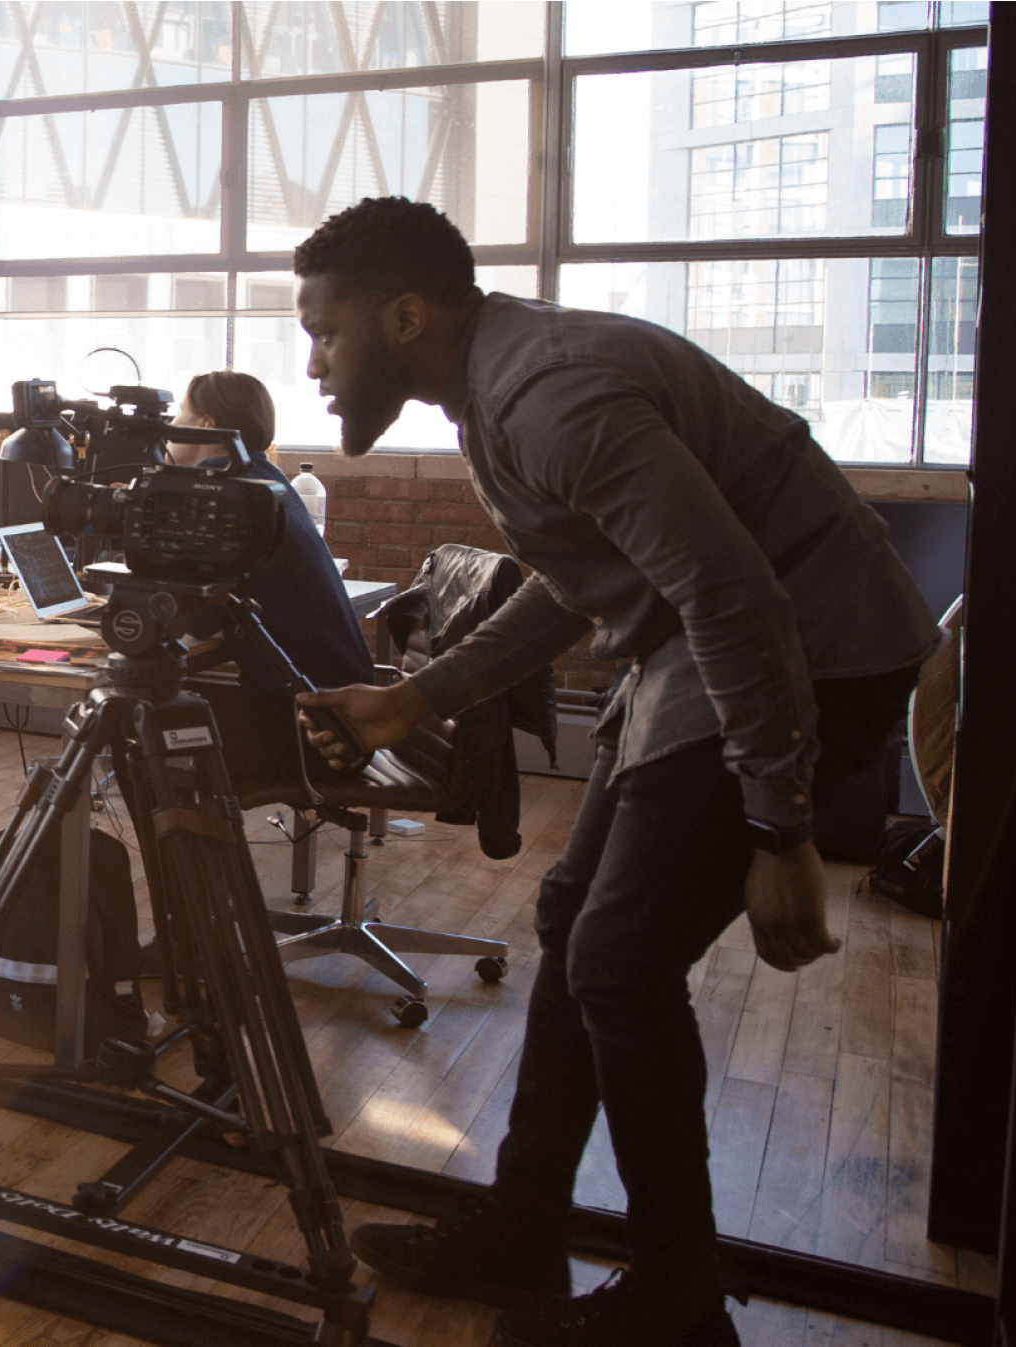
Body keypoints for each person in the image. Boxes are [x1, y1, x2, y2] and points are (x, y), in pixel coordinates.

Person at [286, 198, 938, 1347]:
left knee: (622, 962)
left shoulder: (550, 397)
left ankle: (679, 1305)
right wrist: (412, 696)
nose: (314, 365)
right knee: (575, 915)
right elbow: (583, 581)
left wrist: (780, 829)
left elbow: (731, 594)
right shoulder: (498, 386)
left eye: (325, 332)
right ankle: (524, 1225)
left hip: (810, 647)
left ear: (402, 313)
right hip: (711, 641)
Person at [169, 369, 372, 694]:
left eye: (180, 412)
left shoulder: (221, 492)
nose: (171, 425)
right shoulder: (265, 478)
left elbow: (198, 620)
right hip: (339, 687)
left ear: (205, 424)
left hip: (312, 711)